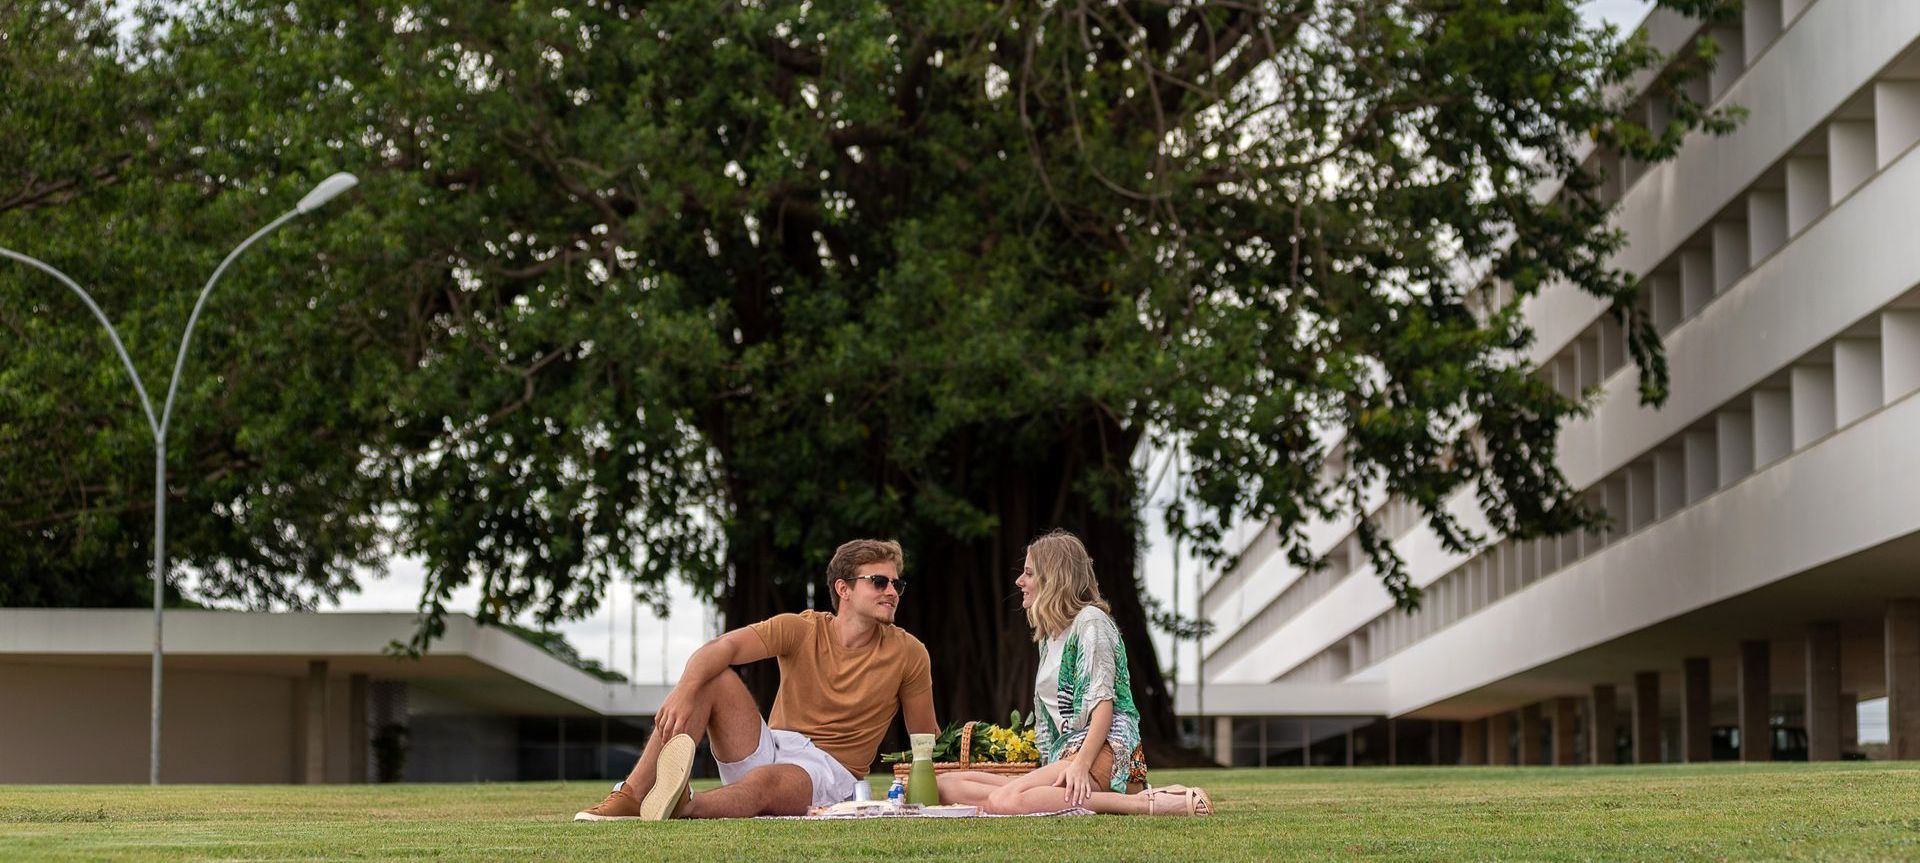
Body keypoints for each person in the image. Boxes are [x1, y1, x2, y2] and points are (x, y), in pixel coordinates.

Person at [575, 538, 937, 820]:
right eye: (879, 582)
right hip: (771, 746)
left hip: (829, 772)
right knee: (712, 678)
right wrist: (685, 690)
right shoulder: (800, 628)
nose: (892, 591)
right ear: (843, 589)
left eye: (896, 584)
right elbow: (724, 647)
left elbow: (925, 739)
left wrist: (977, 765)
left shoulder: (909, 652)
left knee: (766, 781)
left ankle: (684, 805)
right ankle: (631, 794)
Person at [937, 529, 1214, 816]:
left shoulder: (1091, 623)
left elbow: (1104, 705)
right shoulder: (1050, 636)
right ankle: (1034, 795)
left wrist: (1081, 765)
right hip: (1066, 755)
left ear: (1053, 578)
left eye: (1029, 573)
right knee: (946, 785)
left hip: (1100, 753)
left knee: (1004, 801)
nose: (1020, 581)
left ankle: (1138, 803)